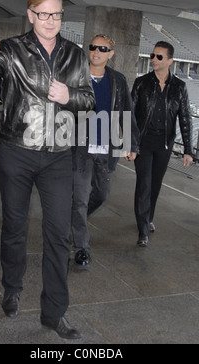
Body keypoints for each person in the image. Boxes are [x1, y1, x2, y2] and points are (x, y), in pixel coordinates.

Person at [0, 0, 95, 339]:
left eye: (56, 14)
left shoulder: (76, 55)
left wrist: (71, 96)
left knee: (58, 233)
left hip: (58, 157)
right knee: (15, 226)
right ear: (31, 15)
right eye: (43, 13)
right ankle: (12, 287)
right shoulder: (12, 49)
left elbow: (89, 100)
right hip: (16, 151)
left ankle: (54, 312)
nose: (50, 20)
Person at [71, 34, 139, 270]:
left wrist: (131, 145)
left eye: (103, 48)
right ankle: (81, 248)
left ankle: (75, 222)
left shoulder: (118, 81)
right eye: (93, 47)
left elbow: (126, 114)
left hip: (106, 148)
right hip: (79, 147)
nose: (96, 51)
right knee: (79, 199)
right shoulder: (76, 75)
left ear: (111, 53)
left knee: (101, 194)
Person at [131, 41, 193, 247]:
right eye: (152, 56)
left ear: (170, 61)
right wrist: (128, 144)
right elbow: (129, 115)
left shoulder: (179, 87)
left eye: (159, 57)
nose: (153, 60)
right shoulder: (141, 83)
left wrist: (188, 150)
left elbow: (185, 118)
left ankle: (147, 219)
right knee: (144, 184)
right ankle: (142, 231)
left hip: (164, 144)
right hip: (143, 142)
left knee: (155, 184)